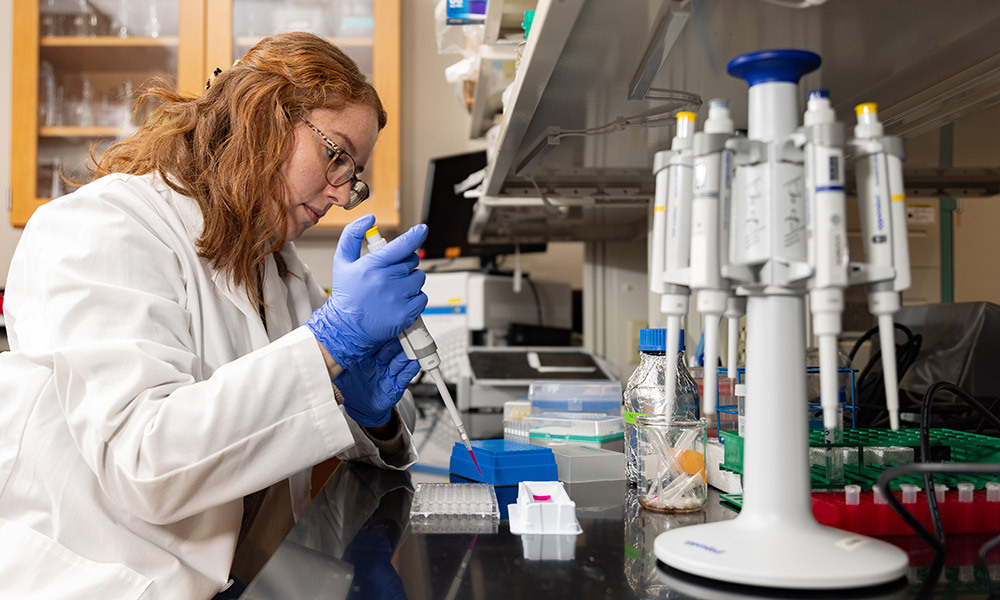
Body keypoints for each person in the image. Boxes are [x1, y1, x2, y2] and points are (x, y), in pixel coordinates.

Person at [0, 32, 427, 599]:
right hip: (103, 579)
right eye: (336, 156)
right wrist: (329, 344)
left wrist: (371, 417)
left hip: (235, 577)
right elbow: (146, 461)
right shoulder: (102, 226)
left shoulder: (277, 267)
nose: (342, 194)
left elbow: (296, 420)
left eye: (354, 176)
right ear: (263, 118)